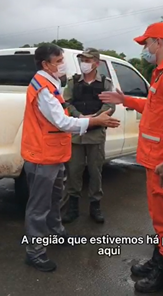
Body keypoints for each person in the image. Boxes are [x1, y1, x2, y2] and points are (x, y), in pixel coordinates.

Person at [99, 22, 163, 293]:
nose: (144, 49)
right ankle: (159, 259)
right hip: (154, 158)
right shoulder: (161, 72)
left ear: (158, 43)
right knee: (161, 216)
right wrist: (124, 99)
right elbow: (153, 106)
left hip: (162, 160)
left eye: (146, 43)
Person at [21, 44, 120, 272]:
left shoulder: (52, 82)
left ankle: (56, 233)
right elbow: (62, 121)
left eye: (62, 60)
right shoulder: (43, 88)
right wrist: (94, 121)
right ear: (46, 64)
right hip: (42, 155)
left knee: (55, 199)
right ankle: (34, 251)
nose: (62, 64)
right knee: (39, 206)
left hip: (54, 153)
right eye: (58, 61)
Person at [61, 48, 115, 224]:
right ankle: (73, 207)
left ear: (96, 63)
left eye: (88, 59)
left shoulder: (105, 83)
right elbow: (66, 102)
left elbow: (110, 105)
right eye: (83, 59)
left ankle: (95, 206)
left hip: (95, 135)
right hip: (76, 133)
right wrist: (79, 116)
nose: (84, 62)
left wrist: (95, 118)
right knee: (74, 171)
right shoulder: (73, 82)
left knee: (95, 171)